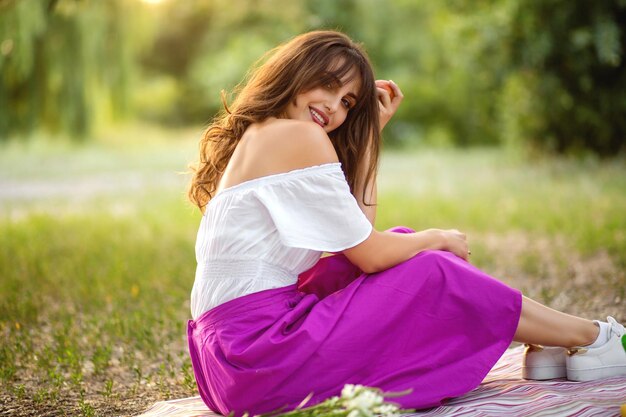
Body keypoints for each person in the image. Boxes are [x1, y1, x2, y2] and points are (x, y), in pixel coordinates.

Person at [186, 30, 626, 417]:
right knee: (431, 269)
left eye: (347, 103)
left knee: (402, 246)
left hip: (227, 364)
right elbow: (371, 255)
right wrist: (436, 237)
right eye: (327, 85)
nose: (334, 109)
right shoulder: (296, 135)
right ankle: (590, 337)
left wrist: (371, 133)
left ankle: (545, 345)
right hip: (258, 351)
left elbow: (356, 240)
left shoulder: (264, 134)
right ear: (296, 72)